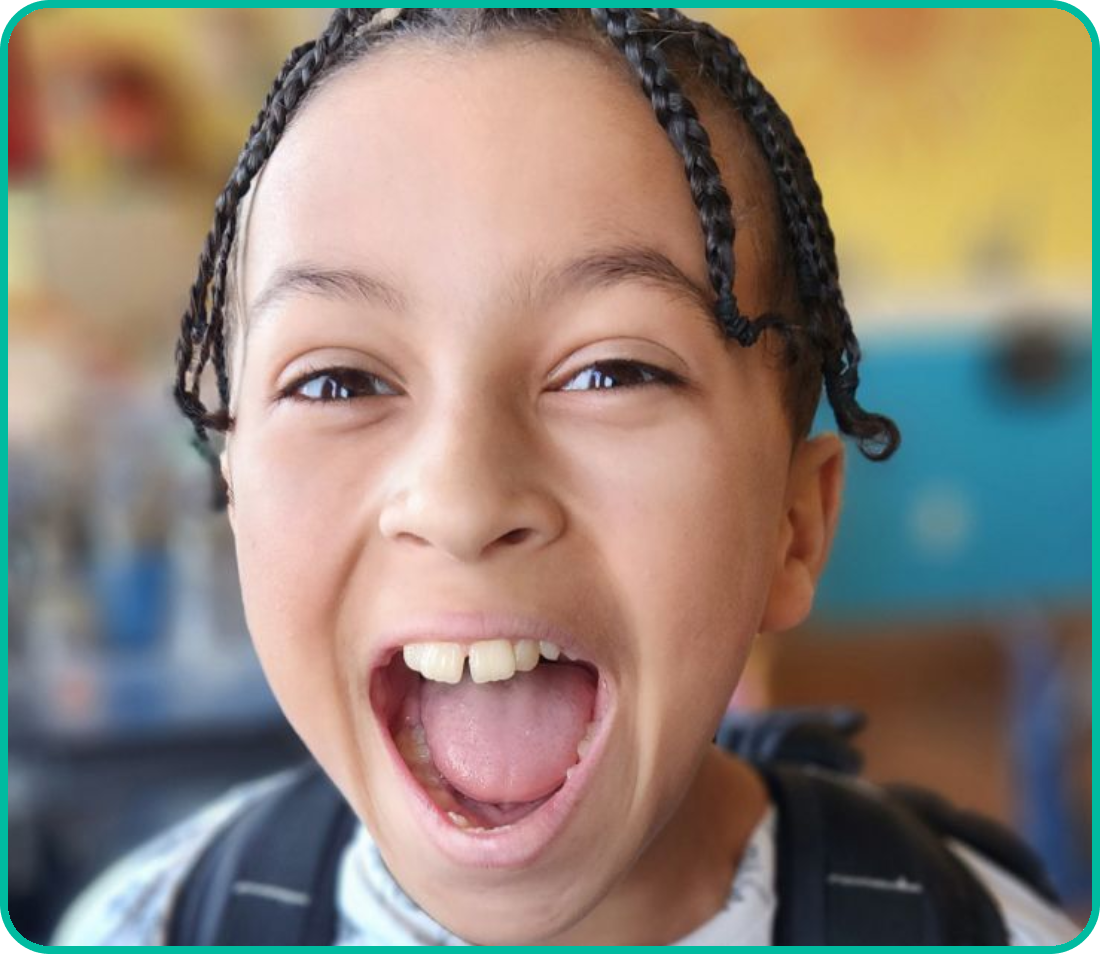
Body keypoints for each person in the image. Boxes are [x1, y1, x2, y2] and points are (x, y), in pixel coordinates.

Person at [52, 8, 1080, 945]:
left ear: (793, 526)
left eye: (610, 371)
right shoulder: (150, 927)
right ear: (233, 492)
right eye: (337, 382)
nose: (462, 501)